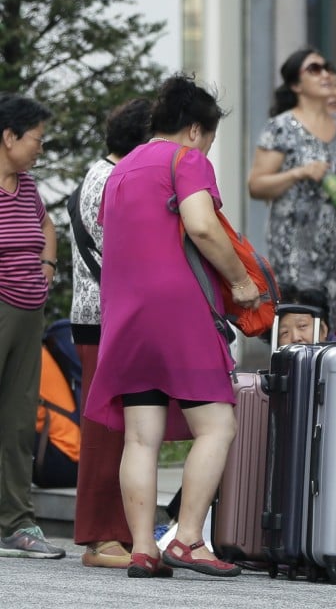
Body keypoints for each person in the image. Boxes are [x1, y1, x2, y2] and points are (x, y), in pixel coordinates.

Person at [85, 74, 261, 578]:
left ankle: (142, 548)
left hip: (125, 313)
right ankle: (187, 538)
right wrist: (240, 282)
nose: (207, 146)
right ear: (194, 129)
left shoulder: (120, 171)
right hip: (178, 309)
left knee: (141, 434)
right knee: (219, 424)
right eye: (208, 135)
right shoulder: (188, 160)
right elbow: (202, 225)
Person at [69, 97, 152, 569]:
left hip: (106, 316)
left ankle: (118, 532)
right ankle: (102, 538)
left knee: (122, 427)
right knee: (106, 428)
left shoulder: (103, 172)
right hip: (106, 318)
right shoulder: (111, 180)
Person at [249, 47, 336, 333]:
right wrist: (299, 172)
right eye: (314, 69)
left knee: (330, 320)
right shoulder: (281, 127)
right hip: (293, 245)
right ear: (295, 84)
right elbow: (256, 185)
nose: (325, 74)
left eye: (326, 67)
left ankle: (329, 377)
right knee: (300, 320)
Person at [0, 93, 65, 560]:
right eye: (36, 140)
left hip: (28, 313)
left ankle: (16, 522)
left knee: (20, 420)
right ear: (8, 136)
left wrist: (47, 263)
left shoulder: (26, 186)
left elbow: (47, 227)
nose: (40, 148)